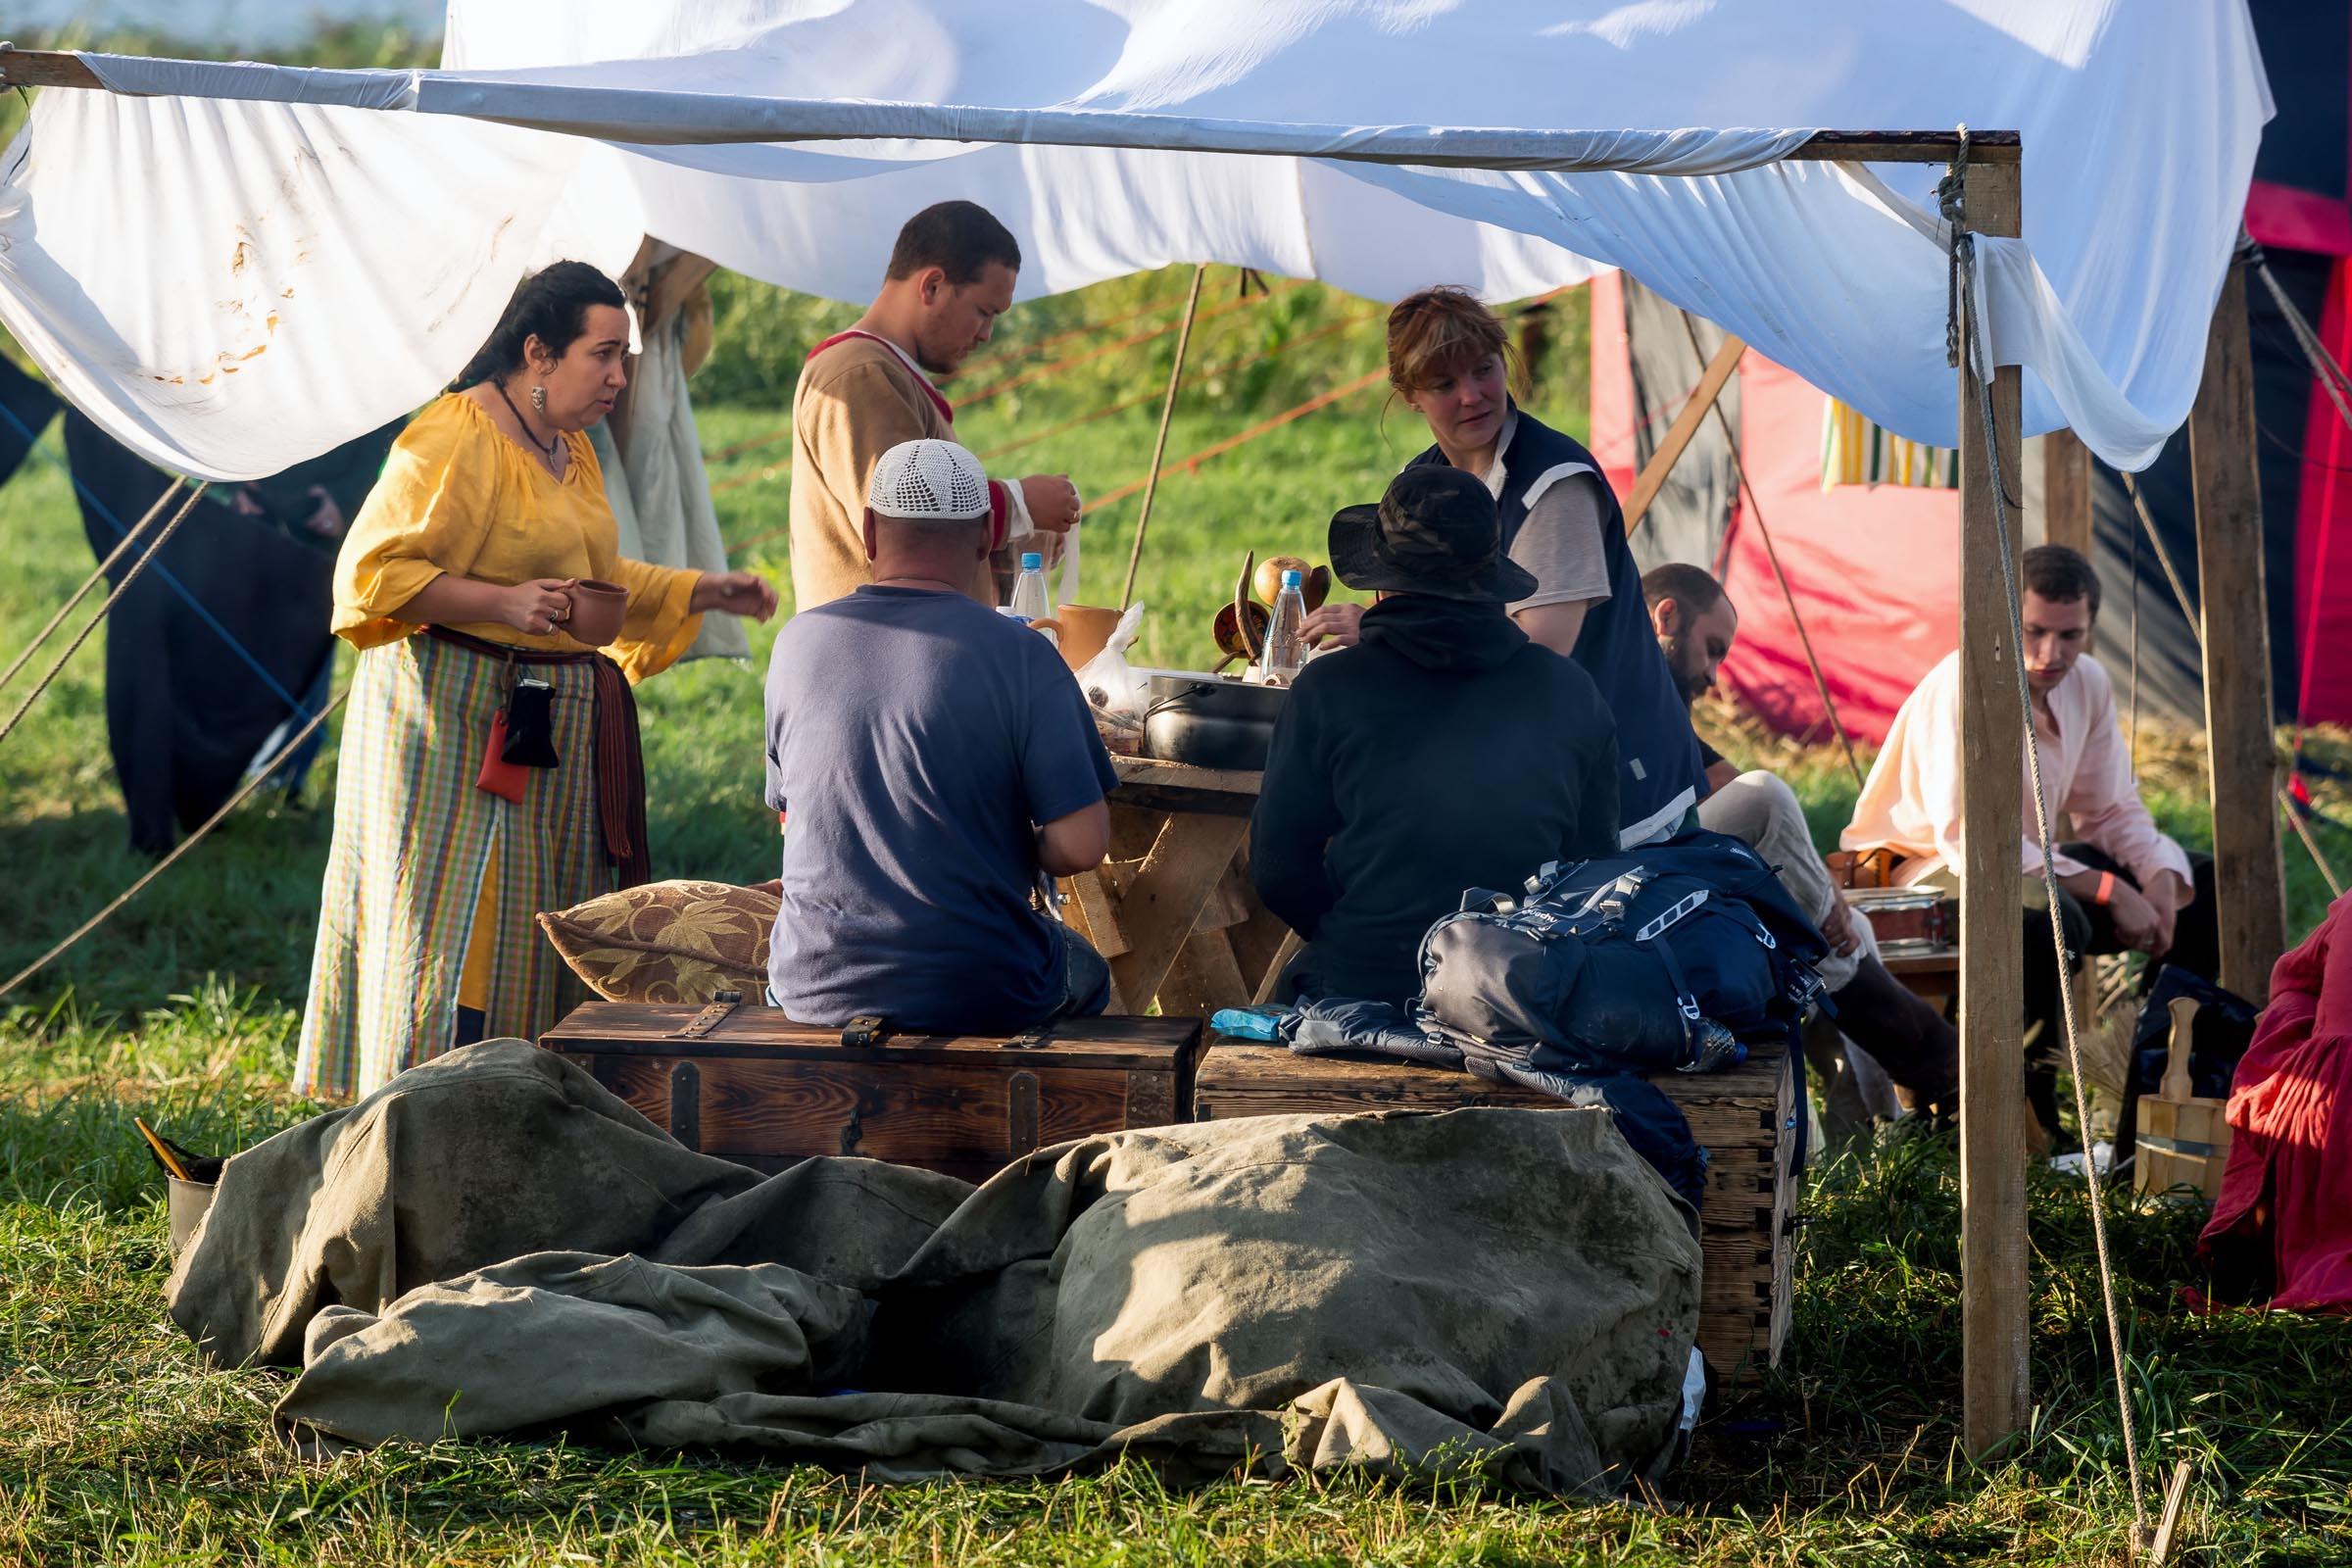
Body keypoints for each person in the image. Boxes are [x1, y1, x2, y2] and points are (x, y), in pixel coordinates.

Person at [296, 262, 778, 1100]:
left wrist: (702, 588)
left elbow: (594, 576)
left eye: (623, 356)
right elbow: (370, 576)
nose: (621, 377)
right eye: (604, 355)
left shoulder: (570, 447)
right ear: (537, 354)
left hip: (539, 725)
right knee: (454, 931)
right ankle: (428, 1109)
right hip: (448, 721)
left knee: (529, 928)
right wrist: (498, 600)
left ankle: (524, 1103)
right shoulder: (454, 435)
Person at [1301, 285, 1704, 849]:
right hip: (1518, 770)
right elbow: (1411, 627)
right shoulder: (1424, 485)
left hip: (1616, 785)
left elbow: (1537, 653)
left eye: (1484, 370)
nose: (1472, 396)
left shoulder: (1553, 482)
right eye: (1444, 384)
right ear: (1410, 395)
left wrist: (1376, 633)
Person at [1841, 544, 2221, 1139]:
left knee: (2203, 887)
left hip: (2022, 857)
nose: (2052, 654)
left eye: (2071, 636)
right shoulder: (1963, 682)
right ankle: (2025, 1120)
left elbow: (2111, 808)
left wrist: (2159, 879)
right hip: (1915, 866)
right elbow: (1972, 843)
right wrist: (2106, 889)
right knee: (2046, 918)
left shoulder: (2088, 681)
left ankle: (2157, 1096)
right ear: (2003, 616)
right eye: (2035, 631)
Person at [763, 438, 1114, 1033]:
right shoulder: (1022, 654)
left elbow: (794, 819)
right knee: (1089, 972)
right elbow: (1081, 846)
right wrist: (991, 845)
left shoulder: (795, 643)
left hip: (811, 983)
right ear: (984, 538)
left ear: (870, 532)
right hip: (982, 983)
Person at [1251, 466, 1622, 1009]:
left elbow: (1277, 869)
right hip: (1519, 999)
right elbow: (1592, 871)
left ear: (1381, 581)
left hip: (1363, 985)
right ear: (1489, 578)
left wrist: (1364, 937)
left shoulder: (1330, 686)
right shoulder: (1574, 692)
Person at [1642, 563, 1959, 1119]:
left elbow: (1721, 781)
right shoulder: (1618, 675)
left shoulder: (1660, 697)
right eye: (1712, 649)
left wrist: (1823, 892)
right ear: (1666, 615)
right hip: (1610, 883)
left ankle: (1885, 1120)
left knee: (1849, 925)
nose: (1714, 675)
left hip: (1668, 862)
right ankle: (1930, 1058)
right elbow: (1749, 799)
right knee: (1768, 796)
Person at [790, 200, 1083, 612]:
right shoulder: (859, 373)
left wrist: (1019, 538)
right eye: (983, 312)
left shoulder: (888, 374)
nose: (986, 335)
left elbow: (935, 539)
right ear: (931, 286)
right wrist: (1018, 504)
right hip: (878, 655)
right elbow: (907, 527)